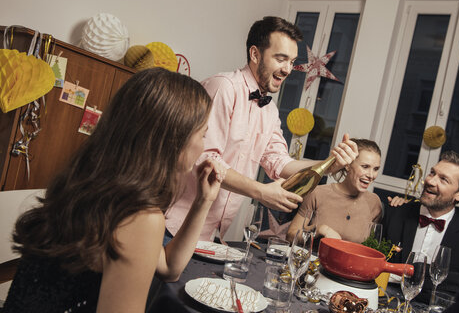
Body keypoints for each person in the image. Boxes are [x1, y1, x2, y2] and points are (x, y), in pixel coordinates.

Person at [3, 68, 225, 312]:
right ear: (173, 139)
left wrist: (203, 201)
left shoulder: (90, 187)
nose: (204, 147)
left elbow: (169, 268)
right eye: (203, 135)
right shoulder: (139, 217)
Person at [165, 16, 358, 242]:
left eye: (292, 61)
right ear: (255, 54)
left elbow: (280, 163)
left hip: (212, 235)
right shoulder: (223, 87)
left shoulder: (269, 111)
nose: (288, 69)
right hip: (174, 225)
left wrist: (328, 165)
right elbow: (205, 159)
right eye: (281, 59)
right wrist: (260, 192)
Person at [382, 151, 459, 303]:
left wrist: (416, 271)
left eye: (443, 179)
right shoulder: (394, 215)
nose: (431, 181)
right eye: (432, 173)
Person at [287, 139, 382, 245]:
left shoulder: (374, 202)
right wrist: (319, 230)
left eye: (376, 169)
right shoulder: (317, 194)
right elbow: (291, 235)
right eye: (365, 167)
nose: (371, 175)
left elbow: (371, 247)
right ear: (348, 165)